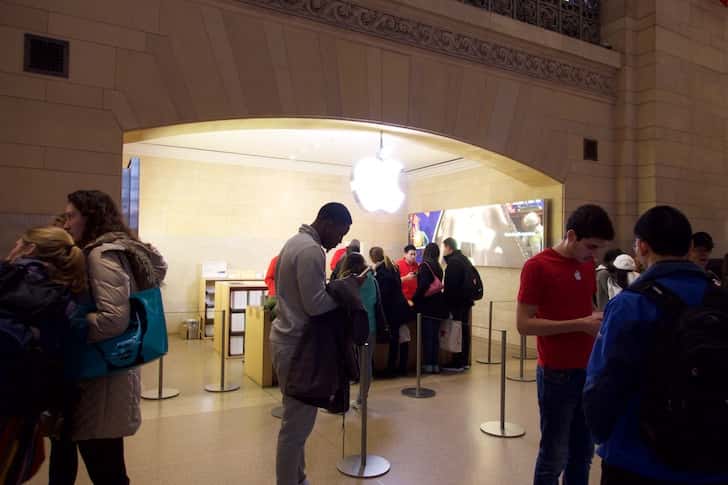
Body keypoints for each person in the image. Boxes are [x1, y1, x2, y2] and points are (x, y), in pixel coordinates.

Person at [584, 206, 728, 484]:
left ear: (641, 247)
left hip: (636, 456)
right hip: (713, 455)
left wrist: (601, 433)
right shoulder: (720, 300)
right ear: (688, 247)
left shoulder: (629, 304)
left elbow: (602, 384)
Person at [50, 190, 167, 485]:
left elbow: (114, 318)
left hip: (103, 377)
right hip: (105, 372)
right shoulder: (108, 250)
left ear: (90, 217)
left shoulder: (100, 256)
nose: (67, 223)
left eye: (72, 216)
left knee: (108, 468)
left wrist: (70, 324)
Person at [516, 204, 614, 485]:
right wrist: (579, 324)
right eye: (590, 246)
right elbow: (524, 324)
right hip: (556, 373)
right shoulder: (537, 266)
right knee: (553, 456)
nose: (593, 255)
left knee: (583, 454)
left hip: (588, 370)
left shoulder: (586, 264)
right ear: (571, 235)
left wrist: (597, 320)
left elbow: (587, 306)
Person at [270, 202, 352, 485]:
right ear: (327, 222)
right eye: (341, 233)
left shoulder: (295, 243)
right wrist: (344, 293)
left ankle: (298, 478)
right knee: (295, 430)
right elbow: (315, 304)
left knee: (297, 424)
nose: (340, 240)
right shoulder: (310, 250)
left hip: (287, 341)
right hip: (297, 346)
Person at [0, 227, 86, 485]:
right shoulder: (66, 301)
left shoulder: (5, 277)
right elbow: (66, 363)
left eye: (18, 243)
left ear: (29, 249)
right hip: (20, 409)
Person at [337, 252, 382, 407]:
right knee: (366, 363)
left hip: (353, 328)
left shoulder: (348, 282)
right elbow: (375, 301)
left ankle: (345, 401)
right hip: (371, 326)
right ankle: (362, 398)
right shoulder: (372, 280)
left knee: (348, 362)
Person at [370, 246, 410, 377]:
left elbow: (383, 294)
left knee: (394, 339)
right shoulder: (393, 267)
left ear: (372, 258)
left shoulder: (381, 272)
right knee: (402, 338)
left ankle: (391, 368)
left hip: (392, 310)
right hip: (401, 307)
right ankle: (402, 366)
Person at [412, 242, 448, 374]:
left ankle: (428, 364)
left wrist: (415, 298)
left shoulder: (424, 265)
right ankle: (434, 364)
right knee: (435, 336)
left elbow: (423, 286)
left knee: (427, 336)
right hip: (438, 304)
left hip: (427, 306)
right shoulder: (438, 267)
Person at [441, 237, 476, 372]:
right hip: (466, 301)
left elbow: (451, 286)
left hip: (457, 303)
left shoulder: (454, 262)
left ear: (449, 247)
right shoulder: (464, 259)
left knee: (456, 331)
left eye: (444, 247)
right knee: (464, 331)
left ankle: (457, 362)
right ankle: (464, 360)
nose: (443, 250)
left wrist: (446, 303)